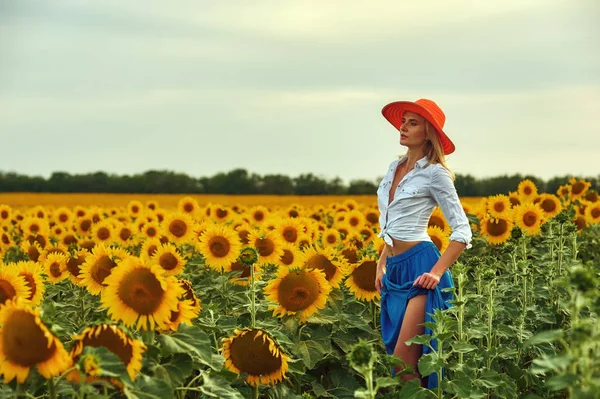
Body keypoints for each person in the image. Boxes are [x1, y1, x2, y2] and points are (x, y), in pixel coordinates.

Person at [374, 98, 472, 390]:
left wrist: (437, 272)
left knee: (404, 366)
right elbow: (391, 223)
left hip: (421, 269)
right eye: (403, 120)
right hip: (393, 270)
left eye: (412, 122)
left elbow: (462, 231)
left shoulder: (435, 173)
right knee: (401, 364)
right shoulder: (394, 167)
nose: (403, 127)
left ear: (429, 132)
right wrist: (381, 263)